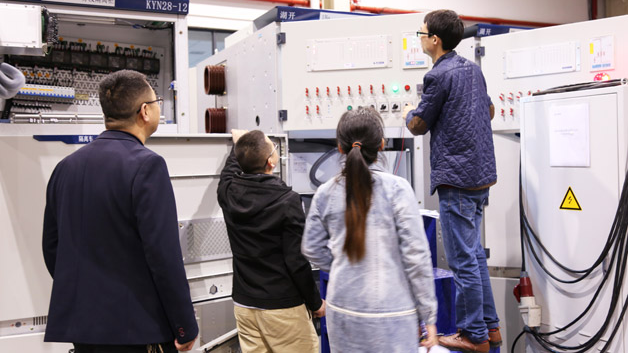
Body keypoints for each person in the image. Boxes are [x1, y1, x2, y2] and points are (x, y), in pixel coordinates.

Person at [42, 70, 198, 353]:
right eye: (157, 102)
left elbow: (52, 247)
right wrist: (184, 324)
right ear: (145, 111)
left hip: (84, 328)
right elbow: (163, 255)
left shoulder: (65, 167)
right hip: (137, 330)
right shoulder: (148, 166)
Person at [301, 107, 439, 353]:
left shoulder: (325, 192)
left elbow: (311, 248)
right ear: (382, 145)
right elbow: (416, 256)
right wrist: (429, 317)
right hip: (393, 312)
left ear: (340, 148)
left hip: (343, 309)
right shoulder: (398, 189)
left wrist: (343, 265)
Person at [403, 9, 500, 353]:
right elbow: (490, 111)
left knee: (462, 261)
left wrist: (408, 112)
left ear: (435, 40)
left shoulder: (438, 76)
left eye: (421, 33)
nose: (419, 38)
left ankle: (473, 334)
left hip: (456, 180)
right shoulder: (473, 70)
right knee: (474, 256)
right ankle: (490, 328)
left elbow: (419, 125)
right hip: (480, 177)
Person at [217, 129, 325, 353]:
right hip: (283, 308)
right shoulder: (287, 201)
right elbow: (296, 262)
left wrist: (238, 146)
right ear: (270, 162)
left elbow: (228, 173)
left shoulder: (228, 193)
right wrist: (315, 303)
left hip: (245, 306)